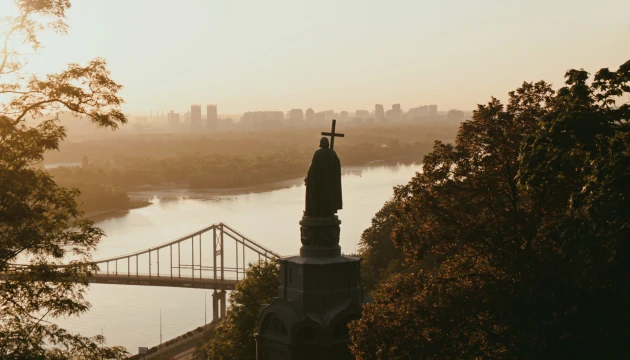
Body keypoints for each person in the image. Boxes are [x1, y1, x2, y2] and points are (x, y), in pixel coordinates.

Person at [304, 137, 342, 216]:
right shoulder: (332, 153)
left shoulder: (318, 153)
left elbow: (313, 168)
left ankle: (318, 211)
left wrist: (308, 178)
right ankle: (328, 211)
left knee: (319, 197)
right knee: (328, 197)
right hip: (330, 182)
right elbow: (337, 166)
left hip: (319, 182)